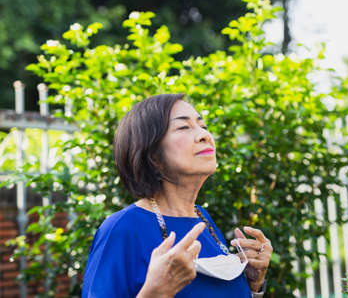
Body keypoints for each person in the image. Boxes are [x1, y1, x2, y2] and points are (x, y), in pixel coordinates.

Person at [81, 94, 273, 298]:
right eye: (184, 127)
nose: (204, 135)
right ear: (153, 155)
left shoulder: (202, 219)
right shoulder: (122, 229)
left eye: (203, 126)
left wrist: (254, 285)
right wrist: (155, 293)